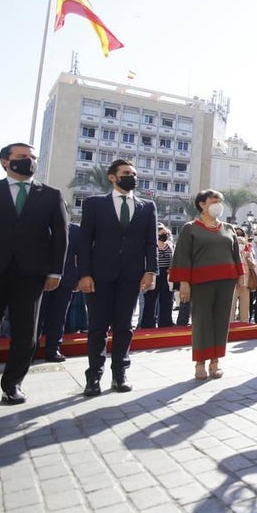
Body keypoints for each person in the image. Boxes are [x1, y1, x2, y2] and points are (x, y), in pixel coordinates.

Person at [0, 143, 68, 411]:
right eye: (22, 157)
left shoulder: (51, 195)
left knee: (26, 333)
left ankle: (13, 385)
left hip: (31, 275)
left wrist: (56, 271)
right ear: (5, 162)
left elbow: (61, 238)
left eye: (33, 157)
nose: (29, 161)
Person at [78, 159, 158, 396]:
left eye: (133, 173)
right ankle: (94, 377)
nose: (131, 177)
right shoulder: (94, 204)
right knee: (97, 328)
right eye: (125, 173)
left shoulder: (147, 206)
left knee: (124, 327)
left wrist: (150, 271)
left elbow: (150, 243)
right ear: (112, 177)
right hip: (100, 275)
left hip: (131, 276)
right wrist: (84, 274)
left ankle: (120, 374)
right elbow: (85, 242)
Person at [170, 190, 242, 380]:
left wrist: (240, 277)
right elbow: (183, 257)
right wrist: (184, 283)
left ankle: (215, 362)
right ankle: (200, 363)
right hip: (200, 282)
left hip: (226, 281)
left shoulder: (229, 228)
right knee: (201, 321)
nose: (219, 203)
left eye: (221, 200)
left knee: (221, 320)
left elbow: (236, 255)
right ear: (202, 204)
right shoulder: (190, 228)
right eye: (214, 200)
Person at [38, 221, 80, 362]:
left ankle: (53, 349)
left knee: (58, 316)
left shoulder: (74, 230)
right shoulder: (39, 226)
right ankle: (30, 350)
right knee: (36, 317)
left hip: (65, 281)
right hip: (39, 280)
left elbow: (82, 255)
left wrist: (79, 278)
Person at [139, 224, 175, 329]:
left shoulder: (170, 245)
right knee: (150, 299)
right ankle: (148, 324)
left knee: (167, 299)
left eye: (165, 234)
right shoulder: (150, 245)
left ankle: (165, 323)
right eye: (161, 234)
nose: (164, 236)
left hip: (166, 274)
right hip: (154, 273)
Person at [230, 227, 256, 323]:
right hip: (233, 284)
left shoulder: (248, 251)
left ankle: (244, 325)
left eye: (241, 235)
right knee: (231, 308)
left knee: (245, 308)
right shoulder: (229, 252)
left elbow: (254, 266)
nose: (240, 243)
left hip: (246, 284)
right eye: (237, 234)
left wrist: (246, 257)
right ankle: (229, 326)